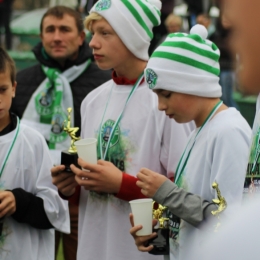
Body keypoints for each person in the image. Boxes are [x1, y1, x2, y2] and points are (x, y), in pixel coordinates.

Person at [51, 1, 194, 260]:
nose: (93, 43)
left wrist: (121, 184)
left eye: (105, 33)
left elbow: (185, 191)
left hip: (143, 252)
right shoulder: (93, 100)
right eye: (93, 33)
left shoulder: (165, 101)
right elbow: (89, 189)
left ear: (133, 37)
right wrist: (71, 186)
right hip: (94, 247)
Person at [129, 24, 251, 260]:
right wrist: (161, 234)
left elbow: (231, 220)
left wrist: (167, 193)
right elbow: (196, 215)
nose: (161, 106)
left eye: (166, 94)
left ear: (193, 84)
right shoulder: (198, 131)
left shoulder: (228, 132)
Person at [10, 5, 111, 260]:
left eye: (64, 29)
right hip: (36, 194)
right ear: (41, 36)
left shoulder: (104, 83)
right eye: (50, 30)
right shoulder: (20, 84)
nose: (56, 37)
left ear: (81, 37)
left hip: (86, 195)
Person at [0, 47, 70, 259]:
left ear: (13, 88)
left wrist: (18, 201)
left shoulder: (32, 141)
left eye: (2, 89)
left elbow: (54, 212)